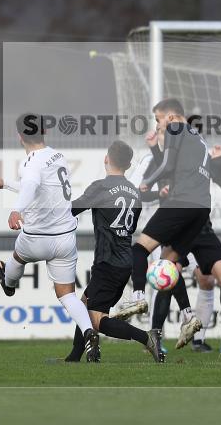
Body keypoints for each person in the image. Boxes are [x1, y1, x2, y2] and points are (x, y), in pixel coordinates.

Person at [0, 113, 99, 362]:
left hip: (37, 238)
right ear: (44, 131)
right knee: (67, 294)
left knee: (17, 257)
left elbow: (30, 185)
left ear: (19, 136)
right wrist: (5, 183)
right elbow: (37, 185)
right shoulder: (57, 156)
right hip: (65, 238)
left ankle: (8, 282)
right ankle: (89, 332)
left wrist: (17, 209)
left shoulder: (30, 162)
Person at [113, 98, 210, 349]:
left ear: (170, 116)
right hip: (200, 208)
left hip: (182, 203)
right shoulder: (198, 138)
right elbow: (174, 168)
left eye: (158, 119)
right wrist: (156, 149)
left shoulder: (177, 129)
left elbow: (165, 167)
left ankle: (137, 298)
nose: (158, 124)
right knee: (168, 263)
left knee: (138, 249)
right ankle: (189, 318)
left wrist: (147, 183)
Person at [62, 140, 163, 363]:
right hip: (124, 261)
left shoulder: (101, 187)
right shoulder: (135, 194)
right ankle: (76, 355)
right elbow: (131, 225)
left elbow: (72, 209)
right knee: (85, 304)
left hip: (107, 262)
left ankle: (146, 338)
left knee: (95, 319)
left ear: (106, 158)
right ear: (128, 165)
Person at [150, 144, 221, 354]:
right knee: (166, 277)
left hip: (202, 230)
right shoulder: (168, 161)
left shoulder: (203, 162)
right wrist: (162, 192)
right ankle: (155, 338)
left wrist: (220, 164)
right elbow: (152, 184)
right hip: (177, 230)